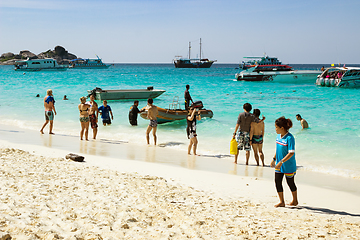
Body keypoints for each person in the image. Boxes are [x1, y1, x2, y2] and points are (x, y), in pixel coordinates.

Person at [271, 116, 298, 208]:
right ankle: (281, 201)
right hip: (279, 164)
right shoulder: (278, 136)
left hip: (288, 165)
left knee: (290, 183)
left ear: (282, 128)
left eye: (276, 127)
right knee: (277, 182)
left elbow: (291, 153)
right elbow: (277, 149)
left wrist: (281, 162)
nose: (275, 129)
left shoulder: (290, 138)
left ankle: (295, 200)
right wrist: (274, 159)